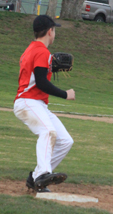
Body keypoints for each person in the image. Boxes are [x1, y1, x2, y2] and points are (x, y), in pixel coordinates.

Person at [13, 15, 75, 193]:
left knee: (65, 141)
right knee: (48, 132)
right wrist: (66, 94)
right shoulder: (41, 51)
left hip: (36, 103)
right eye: (54, 30)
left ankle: (36, 178)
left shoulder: (32, 49)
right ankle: (43, 175)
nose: (54, 33)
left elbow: (35, 74)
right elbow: (40, 82)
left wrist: (48, 66)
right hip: (28, 101)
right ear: (50, 31)